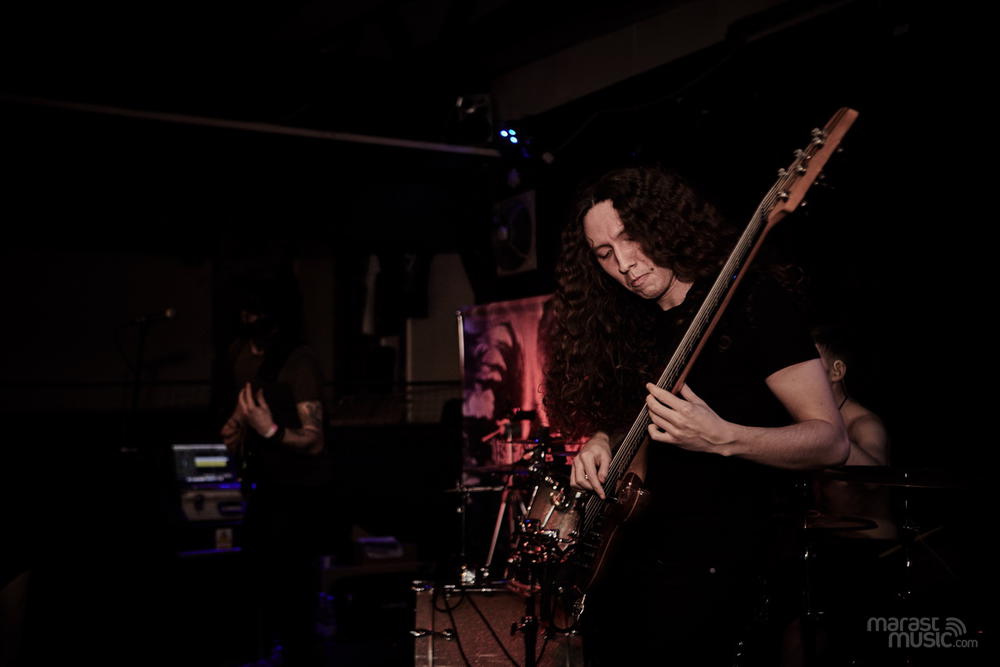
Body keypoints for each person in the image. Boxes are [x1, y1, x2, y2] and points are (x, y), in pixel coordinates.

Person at [541, 166, 849, 665]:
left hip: (727, 562)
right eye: (604, 253)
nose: (624, 263)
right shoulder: (629, 321)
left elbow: (831, 441)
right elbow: (628, 416)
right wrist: (599, 440)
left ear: (664, 224)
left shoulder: (751, 302)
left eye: (630, 236)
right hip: (636, 555)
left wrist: (724, 437)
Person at [219, 277, 329, 667]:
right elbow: (245, 403)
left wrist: (271, 431)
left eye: (257, 315)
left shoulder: (299, 361)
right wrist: (235, 428)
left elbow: (315, 440)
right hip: (262, 486)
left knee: (295, 588)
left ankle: (299, 654)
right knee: (256, 580)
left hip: (299, 491)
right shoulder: (239, 354)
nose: (250, 322)